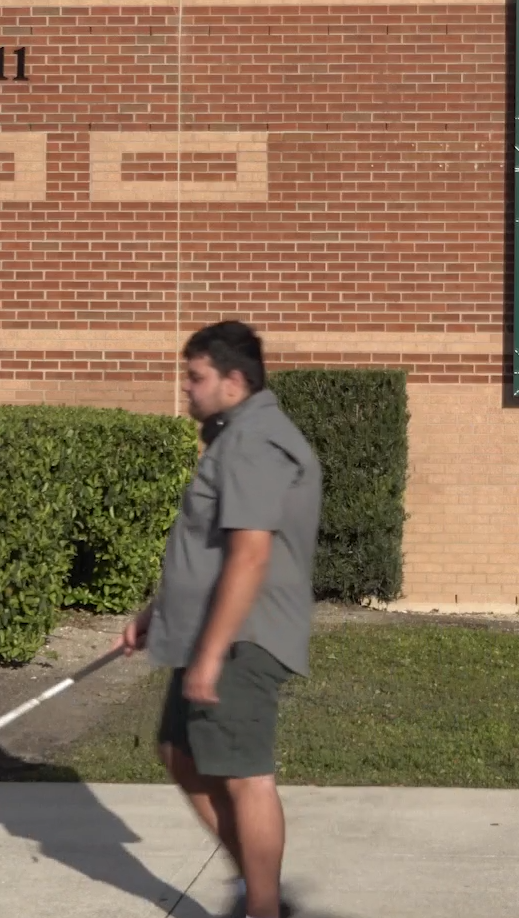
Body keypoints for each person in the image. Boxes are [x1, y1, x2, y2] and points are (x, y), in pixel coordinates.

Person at [119, 320, 322, 918]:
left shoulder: (256, 442)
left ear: (234, 381)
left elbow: (251, 551)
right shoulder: (235, 438)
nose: (187, 389)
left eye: (196, 377)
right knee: (179, 752)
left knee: (244, 774)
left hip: (241, 638)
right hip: (208, 632)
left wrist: (211, 653)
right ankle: (257, 888)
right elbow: (209, 547)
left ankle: (263, 907)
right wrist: (158, 612)